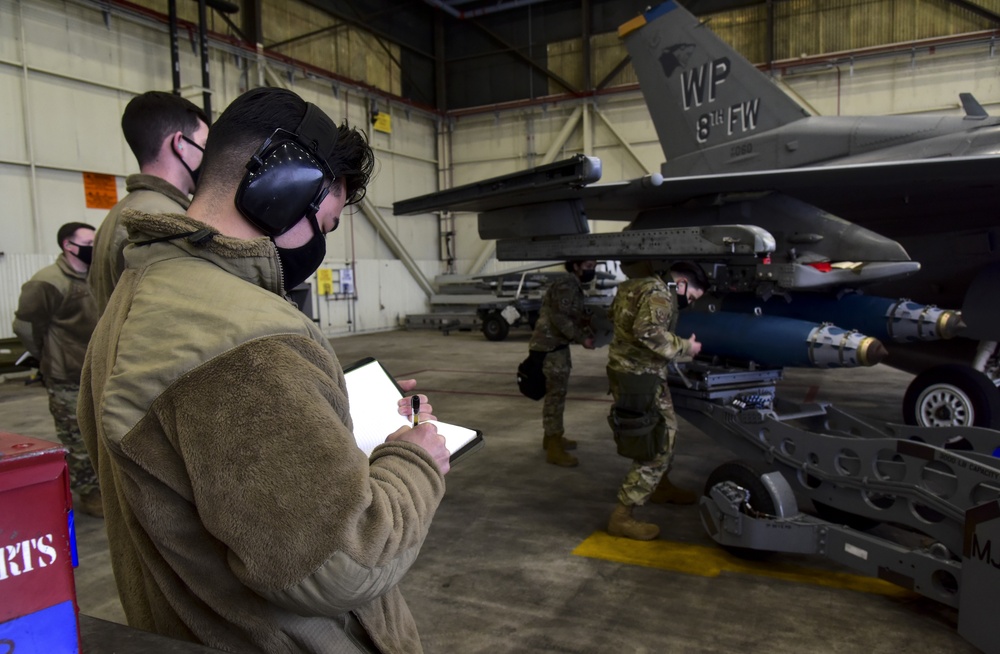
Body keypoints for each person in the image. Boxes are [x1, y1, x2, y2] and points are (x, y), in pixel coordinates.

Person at [78, 88, 451, 654]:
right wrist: (416, 457)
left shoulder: (140, 293)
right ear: (281, 193)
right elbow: (345, 563)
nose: (320, 244)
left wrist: (324, 407)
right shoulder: (245, 340)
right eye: (322, 222)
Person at [605, 260, 708, 540]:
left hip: (635, 374)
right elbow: (648, 332)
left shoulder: (634, 284)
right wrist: (687, 346)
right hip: (640, 378)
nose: (688, 302)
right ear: (683, 283)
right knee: (657, 445)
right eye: (692, 297)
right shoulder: (659, 292)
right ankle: (623, 515)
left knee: (666, 432)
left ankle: (661, 486)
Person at [89, 91, 210, 312]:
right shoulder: (164, 219)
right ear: (180, 144)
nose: (209, 155)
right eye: (205, 143)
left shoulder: (117, 213)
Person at [13, 222, 101, 517]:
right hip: (66, 377)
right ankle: (90, 495)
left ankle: (104, 487)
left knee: (101, 433)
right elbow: (25, 326)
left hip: (96, 370)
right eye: (88, 241)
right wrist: (46, 356)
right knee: (76, 438)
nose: (94, 245)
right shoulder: (48, 282)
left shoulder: (95, 277)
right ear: (69, 245)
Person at [527, 259, 597, 467]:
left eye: (594, 266)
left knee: (556, 394)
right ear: (575, 265)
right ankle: (554, 446)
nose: (592, 270)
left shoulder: (572, 284)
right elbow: (560, 317)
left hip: (555, 346)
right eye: (588, 266)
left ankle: (551, 438)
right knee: (555, 396)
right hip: (550, 348)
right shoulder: (567, 284)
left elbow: (572, 315)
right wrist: (581, 338)